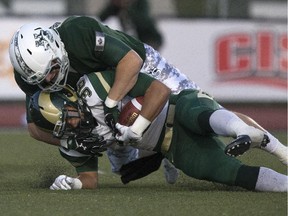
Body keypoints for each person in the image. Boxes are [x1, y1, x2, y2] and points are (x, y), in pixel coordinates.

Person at [9, 15, 286, 179]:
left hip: (138, 66)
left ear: (55, 46)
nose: (49, 81)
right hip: (99, 92)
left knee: (205, 109)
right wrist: (72, 138)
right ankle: (162, 152)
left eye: (51, 71)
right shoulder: (29, 75)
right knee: (123, 165)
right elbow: (34, 126)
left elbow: (129, 62)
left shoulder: (76, 32)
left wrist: (109, 105)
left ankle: (277, 148)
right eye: (40, 79)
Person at [29, 70, 287, 191]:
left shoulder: (96, 85)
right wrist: (72, 183)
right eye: (64, 126)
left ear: (71, 98)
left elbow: (159, 89)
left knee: (200, 116)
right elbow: (90, 180)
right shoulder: (73, 143)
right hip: (170, 147)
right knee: (226, 172)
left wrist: (138, 122)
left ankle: (247, 133)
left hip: (175, 106)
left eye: (70, 116)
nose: (74, 125)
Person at [98, 0, 163, 50]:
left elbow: (144, 20)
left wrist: (128, 7)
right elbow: (102, 17)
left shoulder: (139, 2)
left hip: (150, 38)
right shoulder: (118, 6)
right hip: (133, 41)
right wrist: (113, 5)